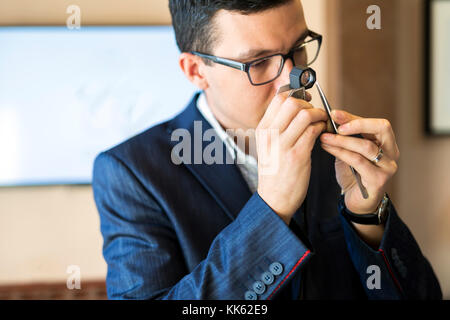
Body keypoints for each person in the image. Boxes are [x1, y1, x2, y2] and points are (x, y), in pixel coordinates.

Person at [92, 0, 442, 300]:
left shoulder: (334, 149)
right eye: (259, 62)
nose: (295, 78)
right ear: (196, 71)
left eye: (298, 49)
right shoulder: (132, 172)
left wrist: (366, 216)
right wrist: (271, 210)